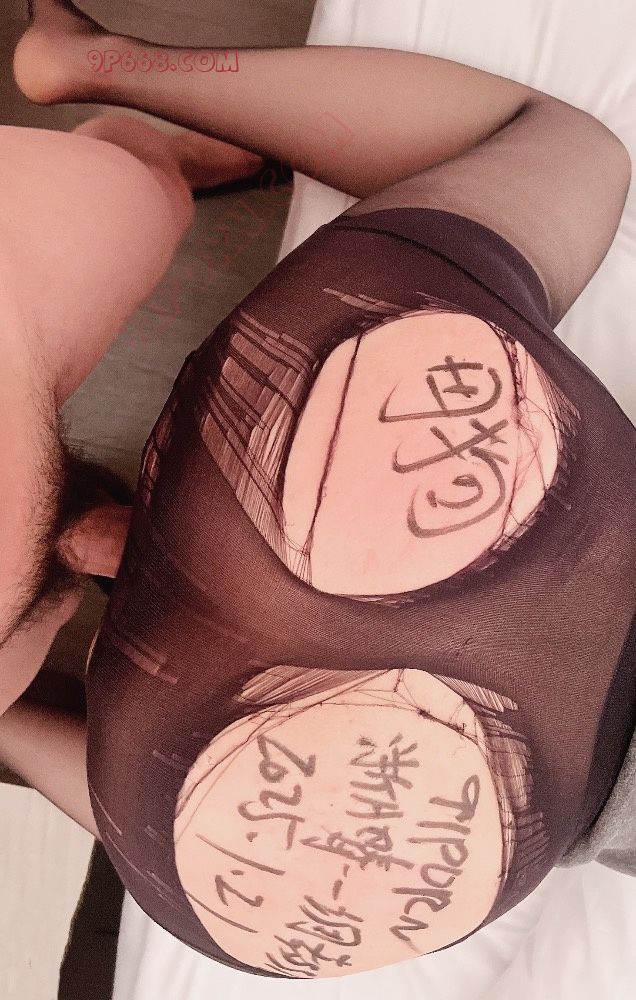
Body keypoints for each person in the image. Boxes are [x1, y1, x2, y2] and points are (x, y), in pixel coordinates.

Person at [1, 0, 634, 982]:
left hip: (502, 622)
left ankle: (105, 70)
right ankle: (105, 80)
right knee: (104, 204)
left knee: (568, 151)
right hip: (240, 843)